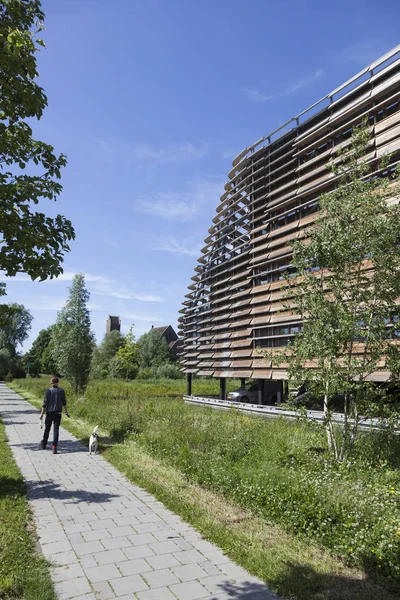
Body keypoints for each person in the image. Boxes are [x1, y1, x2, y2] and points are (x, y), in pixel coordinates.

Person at [39, 376, 69, 454]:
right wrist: (66, 412)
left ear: (51, 383)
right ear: (57, 382)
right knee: (56, 430)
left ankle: (44, 443)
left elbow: (44, 404)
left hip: (49, 413)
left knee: (47, 429)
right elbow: (64, 402)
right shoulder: (61, 391)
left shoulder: (48, 391)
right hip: (58, 413)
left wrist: (41, 414)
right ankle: (54, 446)